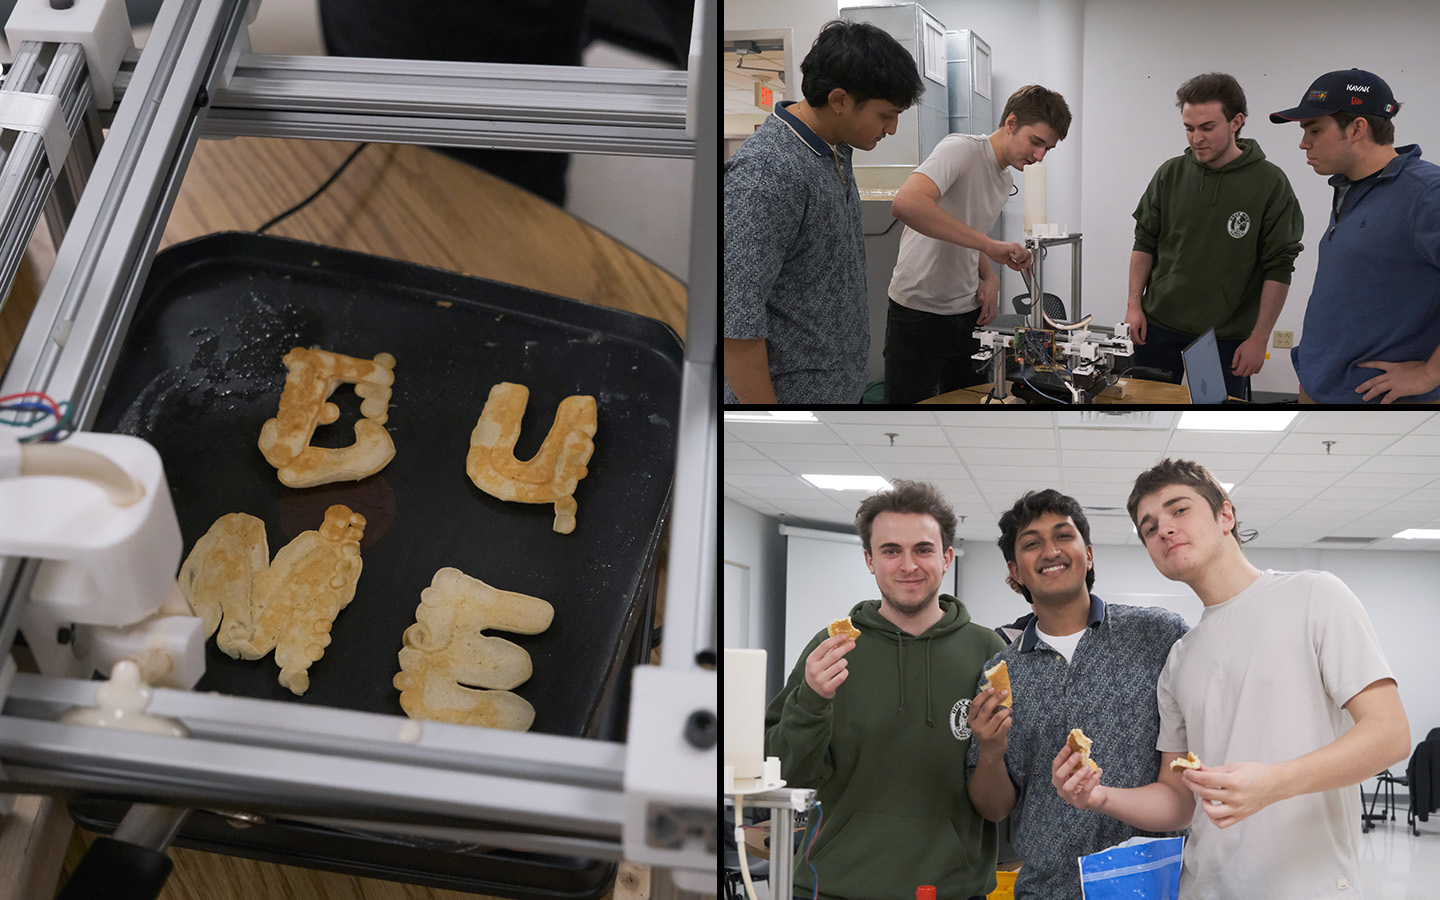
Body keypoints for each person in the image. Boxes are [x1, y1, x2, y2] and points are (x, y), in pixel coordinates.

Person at [1053, 458, 1410, 899]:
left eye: (1179, 510)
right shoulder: (1180, 659)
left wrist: (1273, 784)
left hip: (1308, 886)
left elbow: (1390, 735)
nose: (1163, 529)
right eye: (1149, 527)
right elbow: (1179, 801)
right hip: (1205, 888)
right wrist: (1098, 796)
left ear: (1226, 515)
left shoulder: (1316, 596)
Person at [764, 480, 1005, 900]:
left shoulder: (990, 654)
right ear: (870, 561)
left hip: (952, 889)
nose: (908, 564)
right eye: (891, 550)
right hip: (833, 886)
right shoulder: (832, 649)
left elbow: (1007, 789)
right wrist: (812, 701)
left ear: (946, 557)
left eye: (923, 549)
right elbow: (781, 775)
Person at [965, 489, 1188, 900]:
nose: (1051, 551)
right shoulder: (1001, 673)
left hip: (1155, 883)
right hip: (1047, 888)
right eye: (1032, 543)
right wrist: (991, 749)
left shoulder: (1159, 635)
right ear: (1015, 571)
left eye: (1063, 536)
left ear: (1088, 554)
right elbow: (994, 808)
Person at [723, 21, 924, 404]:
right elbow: (735, 325)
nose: (893, 129)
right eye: (885, 115)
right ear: (839, 100)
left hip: (838, 393)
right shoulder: (768, 172)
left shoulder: (833, 150)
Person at [883, 85, 1071, 403]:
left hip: (967, 313)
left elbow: (965, 232)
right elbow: (907, 203)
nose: (1039, 156)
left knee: (967, 405)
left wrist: (989, 275)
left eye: (1047, 149)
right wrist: (988, 244)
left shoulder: (1004, 180)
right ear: (1011, 123)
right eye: (1036, 142)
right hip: (918, 313)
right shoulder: (961, 149)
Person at [1127, 73, 1304, 400]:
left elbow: (1279, 267)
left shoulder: (1270, 183)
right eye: (1189, 128)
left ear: (1236, 122)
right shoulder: (1170, 174)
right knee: (1146, 410)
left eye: (1207, 127)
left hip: (1225, 336)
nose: (1196, 138)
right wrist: (1134, 306)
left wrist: (1260, 338)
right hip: (1159, 326)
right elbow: (1144, 242)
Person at [1269, 68, 1440, 404]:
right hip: (1320, 387)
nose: (1304, 143)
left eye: (1314, 130)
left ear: (1357, 128)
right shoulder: (1350, 187)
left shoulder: (1427, 193)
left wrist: (1430, 373)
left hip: (1381, 403)